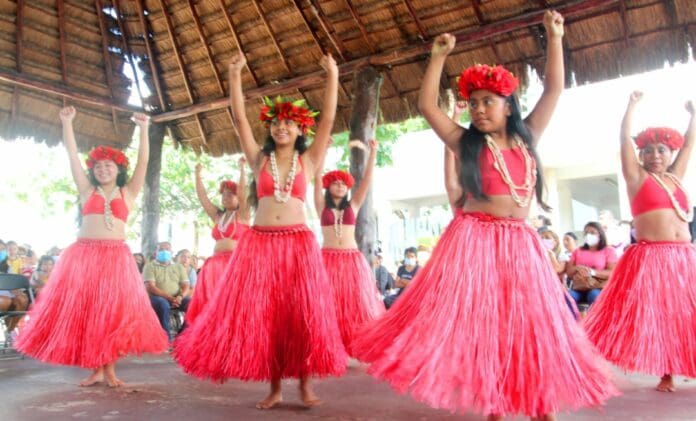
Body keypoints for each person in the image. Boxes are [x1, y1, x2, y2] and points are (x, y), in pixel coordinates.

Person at [351, 11, 617, 420]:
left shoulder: (529, 138)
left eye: (487, 102)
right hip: (475, 240)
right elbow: (426, 105)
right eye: (473, 103)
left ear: (508, 106)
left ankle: (538, 401)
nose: (478, 110)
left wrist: (555, 35)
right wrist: (438, 56)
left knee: (529, 325)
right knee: (488, 327)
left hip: (520, 242)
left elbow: (555, 89)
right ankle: (493, 403)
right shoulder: (465, 143)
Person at [174, 52, 346, 409]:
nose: (281, 128)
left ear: (301, 130)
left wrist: (332, 75)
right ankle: (275, 388)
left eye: (289, 123)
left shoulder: (309, 160)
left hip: (298, 244)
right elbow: (239, 119)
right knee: (267, 316)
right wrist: (235, 75)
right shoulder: (257, 160)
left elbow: (328, 117)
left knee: (301, 314)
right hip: (261, 244)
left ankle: (304, 385)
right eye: (275, 123)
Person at [16, 106, 167, 387]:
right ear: (93, 171)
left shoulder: (128, 192)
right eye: (98, 166)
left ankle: (110, 370)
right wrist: (67, 123)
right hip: (85, 256)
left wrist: (144, 130)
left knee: (111, 315)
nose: (103, 168)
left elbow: (143, 164)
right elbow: (72, 157)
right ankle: (95, 370)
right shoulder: (87, 190)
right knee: (90, 313)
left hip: (115, 258)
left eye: (108, 165)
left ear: (118, 169)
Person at [584, 92, 696, 393]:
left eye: (661, 150)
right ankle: (666, 373)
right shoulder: (636, 177)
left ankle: (683, 367)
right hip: (652, 258)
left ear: (671, 153)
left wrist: (692, 115)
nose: (655, 155)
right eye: (647, 150)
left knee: (688, 315)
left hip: (684, 257)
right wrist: (631, 107)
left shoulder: (676, 178)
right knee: (662, 316)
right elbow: (624, 141)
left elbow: (690, 143)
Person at [313, 138, 385, 354]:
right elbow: (316, 177)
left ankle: (354, 345)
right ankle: (328, 346)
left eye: (344, 184)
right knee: (327, 304)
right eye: (336, 182)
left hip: (351, 259)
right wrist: (323, 148)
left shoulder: (353, 205)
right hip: (327, 259)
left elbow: (367, 180)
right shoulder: (321, 205)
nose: (341, 186)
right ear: (329, 186)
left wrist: (373, 153)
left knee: (356, 305)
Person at [185, 157, 251, 325]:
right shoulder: (218, 216)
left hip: (234, 264)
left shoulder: (242, 215)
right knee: (213, 304)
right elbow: (203, 198)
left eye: (231, 195)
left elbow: (244, 193)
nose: (226, 197)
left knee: (232, 303)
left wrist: (242, 169)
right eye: (224, 194)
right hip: (214, 266)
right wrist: (197, 175)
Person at [144, 242, 191, 340]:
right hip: (157, 298)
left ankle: (183, 335)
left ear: (172, 252)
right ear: (155, 253)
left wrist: (180, 297)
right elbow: (150, 287)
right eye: (161, 249)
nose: (164, 251)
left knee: (192, 303)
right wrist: (170, 298)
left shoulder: (179, 267)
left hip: (177, 298)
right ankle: (166, 339)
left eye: (167, 249)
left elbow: (186, 285)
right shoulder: (149, 266)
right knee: (162, 304)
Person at [565, 222, 617, 307]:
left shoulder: (609, 251)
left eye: (592, 232)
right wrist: (578, 268)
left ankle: (596, 320)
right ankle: (572, 320)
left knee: (594, 296)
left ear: (600, 234)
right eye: (586, 233)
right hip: (580, 287)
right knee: (568, 298)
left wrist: (591, 272)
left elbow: (612, 272)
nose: (589, 235)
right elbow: (569, 273)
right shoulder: (578, 251)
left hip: (597, 287)